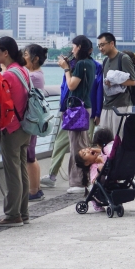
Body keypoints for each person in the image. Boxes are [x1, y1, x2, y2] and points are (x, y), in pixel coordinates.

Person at [0, 36, 33, 227]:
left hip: (12, 128)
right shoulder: (23, 70)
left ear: (5, 52)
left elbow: (1, 100)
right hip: (25, 126)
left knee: (12, 173)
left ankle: (12, 214)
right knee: (22, 170)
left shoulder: (8, 75)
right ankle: (23, 212)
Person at [59, 36, 97, 194]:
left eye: (74, 46)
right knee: (82, 144)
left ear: (79, 47)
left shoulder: (81, 64)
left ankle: (79, 182)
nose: (72, 49)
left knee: (78, 147)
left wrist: (66, 69)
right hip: (84, 106)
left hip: (77, 108)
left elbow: (71, 85)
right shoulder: (90, 63)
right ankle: (85, 180)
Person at [97, 32, 135, 137]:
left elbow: (133, 81)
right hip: (107, 105)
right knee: (105, 139)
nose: (100, 48)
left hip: (121, 106)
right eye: (99, 46)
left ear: (112, 44)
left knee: (119, 138)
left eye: (102, 45)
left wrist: (115, 81)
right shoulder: (105, 60)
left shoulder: (123, 58)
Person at [23, 44, 47, 202]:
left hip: (31, 120)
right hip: (33, 119)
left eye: (25, 54)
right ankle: (36, 189)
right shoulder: (36, 74)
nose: (23, 57)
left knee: (29, 156)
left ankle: (33, 190)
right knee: (31, 154)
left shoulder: (33, 76)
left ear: (35, 58)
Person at [74, 127, 115, 213]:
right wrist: (101, 163)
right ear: (86, 163)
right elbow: (94, 181)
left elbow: (107, 153)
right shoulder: (93, 167)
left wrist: (98, 151)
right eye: (85, 154)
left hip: (110, 181)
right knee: (101, 169)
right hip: (101, 189)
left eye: (86, 149)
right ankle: (96, 203)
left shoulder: (101, 155)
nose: (88, 151)